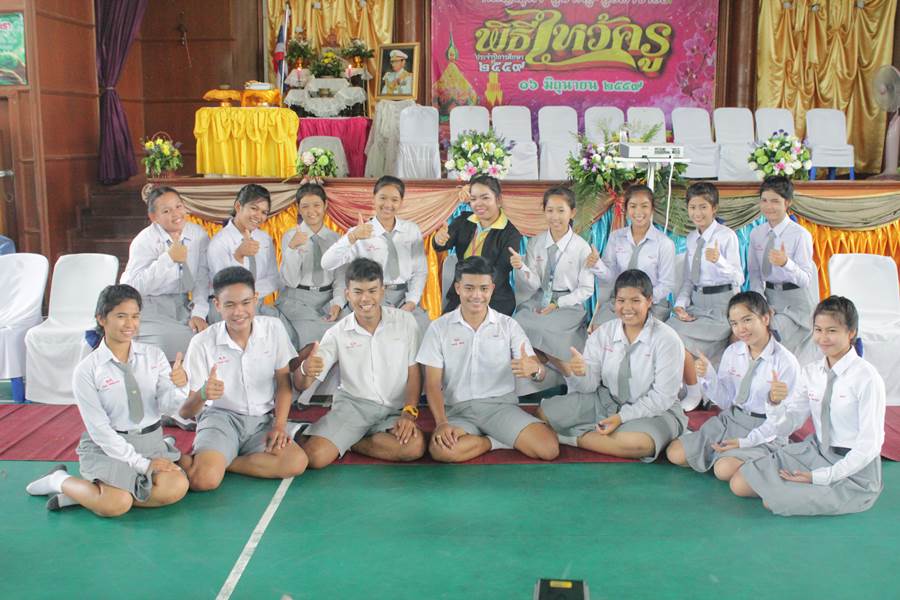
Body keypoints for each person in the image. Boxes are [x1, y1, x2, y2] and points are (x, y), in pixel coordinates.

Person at [25, 285, 189, 516]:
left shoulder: (154, 356)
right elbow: (99, 430)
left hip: (150, 442)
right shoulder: (87, 370)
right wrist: (143, 464)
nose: (130, 324)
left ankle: (90, 495)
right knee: (117, 504)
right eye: (121, 316)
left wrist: (180, 386)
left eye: (135, 316)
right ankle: (58, 480)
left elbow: (168, 407)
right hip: (108, 447)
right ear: (101, 318)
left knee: (176, 487)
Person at [730, 296, 886, 516]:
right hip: (816, 452)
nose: (823, 338)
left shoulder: (867, 377)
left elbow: (870, 445)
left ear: (851, 333)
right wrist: (774, 403)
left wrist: (821, 476)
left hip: (853, 469)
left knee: (772, 501)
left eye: (832, 331)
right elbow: (787, 426)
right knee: (740, 483)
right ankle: (797, 487)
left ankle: (813, 489)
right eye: (818, 330)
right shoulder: (811, 373)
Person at [418, 256, 559, 462]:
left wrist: (535, 370)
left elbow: (538, 372)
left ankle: (490, 440)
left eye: (483, 289)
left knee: (548, 449)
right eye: (469, 288)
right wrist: (442, 423)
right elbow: (432, 384)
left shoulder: (508, 325)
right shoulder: (439, 328)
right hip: (458, 410)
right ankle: (497, 441)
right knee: (442, 451)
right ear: (458, 288)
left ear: (492, 289)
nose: (477, 295)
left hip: (500, 408)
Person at [178, 266, 307, 491]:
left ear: (256, 299)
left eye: (246, 303)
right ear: (217, 304)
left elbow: (283, 383)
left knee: (296, 462)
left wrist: (279, 426)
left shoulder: (274, 328)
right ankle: (212, 462)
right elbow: (185, 412)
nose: (239, 312)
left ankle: (226, 462)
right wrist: (203, 394)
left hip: (261, 422)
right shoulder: (202, 342)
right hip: (220, 420)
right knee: (204, 481)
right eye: (229, 305)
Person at [539, 270, 686, 461]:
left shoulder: (667, 339)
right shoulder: (604, 333)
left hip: (655, 411)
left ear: (649, 301)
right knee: (545, 414)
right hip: (606, 400)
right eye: (621, 301)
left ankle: (568, 438)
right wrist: (580, 373)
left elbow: (662, 398)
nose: (627, 308)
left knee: (639, 444)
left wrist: (621, 418)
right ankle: (602, 438)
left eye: (635, 300)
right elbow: (589, 386)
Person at [292, 258, 426, 468]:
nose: (365, 298)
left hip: (394, 410)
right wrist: (304, 369)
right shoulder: (336, 333)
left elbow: (414, 373)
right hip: (353, 408)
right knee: (315, 457)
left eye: (372, 291)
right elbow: (302, 383)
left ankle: (348, 441)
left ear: (382, 291)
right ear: (347, 294)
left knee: (414, 447)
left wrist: (409, 413)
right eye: (358, 291)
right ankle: (338, 437)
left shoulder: (406, 322)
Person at [666, 292, 800, 481]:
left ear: (765, 318)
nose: (741, 329)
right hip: (732, 419)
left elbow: (783, 422)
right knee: (675, 453)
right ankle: (728, 458)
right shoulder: (733, 352)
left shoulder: (786, 362)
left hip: (766, 429)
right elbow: (726, 401)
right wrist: (708, 375)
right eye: (734, 323)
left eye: (747, 320)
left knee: (724, 469)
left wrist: (745, 442)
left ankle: (769, 456)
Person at [320, 176, 430, 335]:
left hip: (403, 296)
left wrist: (411, 302)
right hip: (371, 297)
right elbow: (326, 263)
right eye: (383, 198)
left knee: (422, 329)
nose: (388, 205)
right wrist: (352, 237)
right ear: (374, 198)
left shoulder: (411, 230)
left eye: (394, 200)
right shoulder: (360, 232)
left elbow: (420, 271)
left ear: (401, 202)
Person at [668, 182, 744, 408]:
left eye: (703, 207)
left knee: (681, 338)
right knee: (668, 331)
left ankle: (697, 393)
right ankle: (691, 390)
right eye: (692, 207)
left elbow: (739, 278)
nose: (697, 213)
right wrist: (680, 305)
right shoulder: (691, 238)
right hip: (696, 305)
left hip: (722, 306)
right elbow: (689, 280)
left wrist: (719, 261)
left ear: (714, 208)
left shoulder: (727, 236)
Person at [120, 186, 210, 362]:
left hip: (181, 304)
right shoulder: (144, 240)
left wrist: (199, 313)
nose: (176, 214)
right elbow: (133, 286)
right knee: (188, 342)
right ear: (153, 217)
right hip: (148, 307)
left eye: (178, 206)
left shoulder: (198, 234)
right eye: (166, 211)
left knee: (204, 337)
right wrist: (168, 259)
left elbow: (202, 278)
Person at [511, 186, 592, 365]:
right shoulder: (535, 243)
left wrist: (558, 303)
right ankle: (534, 369)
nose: (555, 216)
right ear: (544, 211)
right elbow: (534, 284)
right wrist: (522, 267)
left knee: (544, 329)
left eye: (561, 211)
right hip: (539, 298)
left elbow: (586, 289)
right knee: (518, 324)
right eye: (550, 210)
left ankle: (559, 371)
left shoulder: (581, 248)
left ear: (572, 213)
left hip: (568, 303)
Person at [747, 175, 818, 363]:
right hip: (769, 300)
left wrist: (786, 263)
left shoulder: (800, 234)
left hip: (797, 305)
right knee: (746, 331)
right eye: (764, 200)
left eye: (775, 201)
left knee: (768, 337)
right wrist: (762, 304)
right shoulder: (756, 233)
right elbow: (754, 274)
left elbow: (806, 279)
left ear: (787, 203)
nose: (768, 206)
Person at [587, 184, 676, 327]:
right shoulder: (616, 237)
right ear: (626, 209)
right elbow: (611, 277)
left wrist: (643, 300)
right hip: (621, 302)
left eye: (644, 206)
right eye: (633, 206)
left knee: (638, 331)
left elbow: (667, 284)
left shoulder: (664, 243)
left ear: (652, 209)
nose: (638, 211)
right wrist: (597, 264)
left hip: (652, 304)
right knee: (600, 328)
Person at [433, 174, 523, 316]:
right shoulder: (463, 220)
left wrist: (474, 299)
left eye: (485, 198)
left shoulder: (510, 232)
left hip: (495, 297)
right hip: (461, 295)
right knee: (448, 326)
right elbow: (442, 244)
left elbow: (500, 272)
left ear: (498, 200)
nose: (478, 204)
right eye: (473, 199)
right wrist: (439, 239)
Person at [276, 183, 347, 349]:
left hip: (327, 298)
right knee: (314, 335)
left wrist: (337, 303)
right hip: (297, 299)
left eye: (316, 205)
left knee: (347, 329)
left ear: (325, 205)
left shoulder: (336, 238)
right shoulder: (290, 236)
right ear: (299, 209)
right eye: (305, 206)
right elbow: (290, 281)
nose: (311, 211)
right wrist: (293, 249)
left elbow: (340, 278)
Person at [207, 184, 280, 320]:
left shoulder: (264, 239)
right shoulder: (219, 242)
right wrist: (238, 256)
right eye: (254, 208)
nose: (258, 216)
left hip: (257, 304)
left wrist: (251, 297)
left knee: (282, 328)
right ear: (238, 206)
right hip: (226, 308)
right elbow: (226, 288)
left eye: (264, 212)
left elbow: (274, 279)